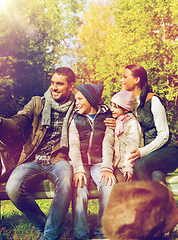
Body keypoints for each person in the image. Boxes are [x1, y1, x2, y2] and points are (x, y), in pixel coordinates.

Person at [0, 67, 76, 240]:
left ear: (71, 86)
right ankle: (42, 225)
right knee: (12, 187)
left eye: (59, 84)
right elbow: (16, 123)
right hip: (33, 158)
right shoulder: (38, 102)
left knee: (66, 181)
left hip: (59, 159)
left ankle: (50, 236)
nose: (54, 87)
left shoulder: (77, 106)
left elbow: (93, 119)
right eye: (52, 83)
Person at [105, 64, 178, 182]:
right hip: (149, 156)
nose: (121, 80)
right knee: (157, 176)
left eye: (124, 77)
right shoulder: (124, 105)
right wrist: (119, 126)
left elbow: (164, 135)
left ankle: (145, 199)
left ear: (136, 79)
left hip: (168, 151)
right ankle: (162, 200)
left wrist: (142, 152)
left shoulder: (152, 100)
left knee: (140, 165)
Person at [68, 84, 115, 240]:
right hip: (81, 164)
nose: (77, 102)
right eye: (76, 99)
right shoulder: (75, 119)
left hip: (99, 163)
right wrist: (78, 169)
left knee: (108, 184)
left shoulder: (107, 117)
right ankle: (80, 234)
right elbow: (73, 146)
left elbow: (109, 144)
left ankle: (103, 232)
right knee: (79, 187)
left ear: (91, 99)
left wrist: (107, 168)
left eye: (80, 99)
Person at [110, 90, 144, 182]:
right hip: (116, 166)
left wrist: (128, 167)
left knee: (124, 190)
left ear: (125, 109)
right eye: (111, 106)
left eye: (116, 107)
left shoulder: (132, 123)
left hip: (127, 167)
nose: (112, 109)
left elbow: (132, 146)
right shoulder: (117, 122)